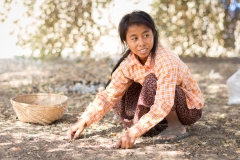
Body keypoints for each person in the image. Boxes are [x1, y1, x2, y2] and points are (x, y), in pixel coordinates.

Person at [67, 10, 204, 149]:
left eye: (146, 35)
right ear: (126, 41)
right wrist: (83, 121)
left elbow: (164, 103)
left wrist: (134, 132)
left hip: (188, 109)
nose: (141, 43)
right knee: (119, 89)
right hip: (161, 108)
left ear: (154, 34)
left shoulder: (165, 60)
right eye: (134, 38)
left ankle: (176, 126)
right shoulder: (128, 64)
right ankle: (150, 125)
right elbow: (108, 96)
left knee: (152, 81)